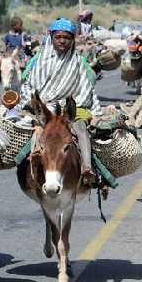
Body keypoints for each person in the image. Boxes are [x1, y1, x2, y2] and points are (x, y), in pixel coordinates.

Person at [19, 18, 101, 181]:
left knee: (81, 129)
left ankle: (86, 167)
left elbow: (85, 88)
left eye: (67, 37)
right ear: (51, 38)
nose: (62, 41)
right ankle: (34, 160)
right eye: (58, 37)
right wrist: (32, 103)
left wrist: (72, 108)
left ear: (72, 40)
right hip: (45, 108)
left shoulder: (78, 62)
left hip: (70, 110)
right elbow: (29, 85)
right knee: (40, 131)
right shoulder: (40, 61)